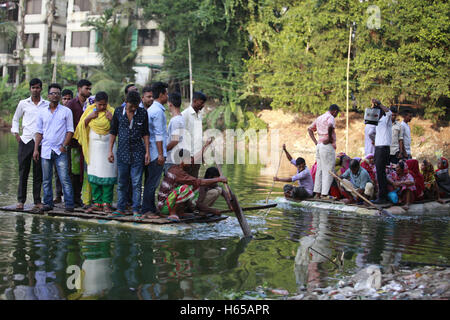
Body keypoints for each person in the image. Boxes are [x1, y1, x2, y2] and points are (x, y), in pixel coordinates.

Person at [33, 83, 75, 212]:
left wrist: (64, 145)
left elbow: (70, 131)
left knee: (64, 178)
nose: (55, 95)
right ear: (48, 95)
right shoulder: (42, 112)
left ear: (60, 96)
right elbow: (39, 132)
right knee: (46, 179)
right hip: (45, 150)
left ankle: (69, 204)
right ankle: (48, 203)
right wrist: (36, 149)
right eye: (52, 93)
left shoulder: (66, 111)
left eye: (57, 93)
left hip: (60, 150)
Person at [108, 91, 150, 218]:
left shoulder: (142, 113)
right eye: (131, 106)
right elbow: (113, 131)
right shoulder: (118, 112)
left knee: (137, 183)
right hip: (122, 153)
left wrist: (147, 152)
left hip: (138, 153)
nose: (133, 109)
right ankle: (120, 208)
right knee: (122, 182)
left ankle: (136, 209)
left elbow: (146, 133)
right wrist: (110, 150)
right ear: (126, 102)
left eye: (136, 106)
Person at [156, 147, 226, 221]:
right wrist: (219, 179)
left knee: (195, 187)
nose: (190, 161)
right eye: (188, 159)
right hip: (164, 206)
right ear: (181, 161)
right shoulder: (176, 171)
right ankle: (172, 213)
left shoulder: (180, 169)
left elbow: (196, 182)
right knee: (185, 188)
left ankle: (180, 212)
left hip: (170, 202)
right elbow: (199, 181)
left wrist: (206, 145)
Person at [74, 92, 116, 214]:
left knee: (108, 177)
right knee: (94, 177)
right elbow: (81, 126)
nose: (102, 107)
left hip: (108, 149)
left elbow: (119, 128)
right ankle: (97, 203)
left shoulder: (112, 112)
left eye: (104, 104)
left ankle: (106, 203)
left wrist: (112, 120)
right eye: (99, 104)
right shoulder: (89, 110)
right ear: (95, 103)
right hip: (93, 149)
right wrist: (89, 118)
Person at [11, 78, 48, 211]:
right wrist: (16, 134)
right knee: (23, 172)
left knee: (38, 173)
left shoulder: (46, 104)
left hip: (41, 143)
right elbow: (15, 119)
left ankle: (37, 201)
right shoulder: (23, 103)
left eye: (38, 87)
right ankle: (21, 201)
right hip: (25, 141)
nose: (35, 90)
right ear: (30, 89)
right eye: (33, 87)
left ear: (41, 89)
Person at [142, 82, 168, 216]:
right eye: (166, 93)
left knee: (150, 181)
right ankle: (147, 209)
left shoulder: (152, 109)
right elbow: (158, 135)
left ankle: (150, 207)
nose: (167, 96)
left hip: (151, 151)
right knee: (152, 183)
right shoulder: (157, 111)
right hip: (155, 152)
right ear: (162, 94)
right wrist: (160, 154)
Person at [66, 79, 93, 207]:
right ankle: (75, 199)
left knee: (87, 172)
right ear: (79, 89)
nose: (89, 91)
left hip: (88, 144)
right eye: (86, 88)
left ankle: (86, 198)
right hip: (74, 145)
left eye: (89, 89)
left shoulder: (91, 104)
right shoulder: (71, 104)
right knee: (75, 172)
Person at [307, 104, 340, 199]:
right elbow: (330, 126)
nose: (336, 115)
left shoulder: (320, 117)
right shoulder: (330, 117)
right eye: (337, 113)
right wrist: (329, 138)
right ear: (334, 111)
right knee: (329, 170)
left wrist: (316, 142)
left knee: (319, 170)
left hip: (319, 146)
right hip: (327, 146)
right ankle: (324, 194)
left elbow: (309, 129)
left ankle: (317, 193)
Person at [53, 89, 74, 203]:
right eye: (64, 99)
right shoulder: (57, 111)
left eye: (68, 99)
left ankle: (70, 197)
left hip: (71, 145)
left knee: (70, 171)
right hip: (59, 146)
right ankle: (58, 195)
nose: (66, 101)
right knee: (57, 171)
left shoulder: (72, 111)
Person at [182, 91, 207, 178]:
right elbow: (182, 137)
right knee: (185, 181)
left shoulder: (199, 116)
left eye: (204, 103)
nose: (203, 105)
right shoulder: (185, 115)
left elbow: (198, 137)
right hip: (188, 157)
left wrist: (201, 155)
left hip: (197, 157)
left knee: (194, 181)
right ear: (195, 101)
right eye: (201, 103)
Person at [372, 99, 393, 204]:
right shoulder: (377, 121)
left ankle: (382, 197)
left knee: (381, 173)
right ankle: (381, 195)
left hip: (383, 148)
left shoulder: (386, 119)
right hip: (378, 148)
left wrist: (379, 104)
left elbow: (389, 112)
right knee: (379, 173)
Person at [165, 92, 185, 174]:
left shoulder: (176, 121)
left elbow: (174, 141)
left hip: (171, 159)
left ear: (170, 104)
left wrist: (162, 151)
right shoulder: (180, 118)